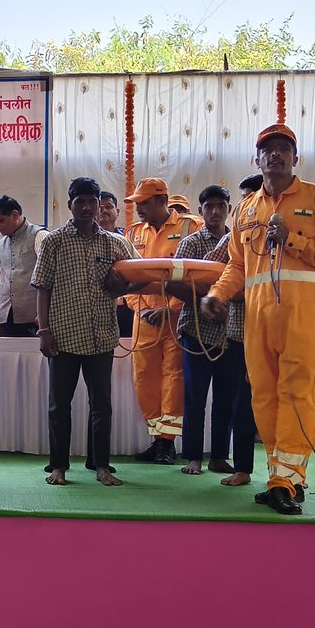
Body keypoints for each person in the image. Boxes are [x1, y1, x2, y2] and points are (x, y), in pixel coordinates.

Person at [202, 124, 315, 515]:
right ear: (257, 159)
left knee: (299, 394)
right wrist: (217, 295)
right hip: (258, 324)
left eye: (284, 148)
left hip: (303, 320)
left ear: (295, 158)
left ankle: (284, 482)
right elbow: (237, 266)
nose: (275, 154)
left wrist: (294, 240)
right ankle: (283, 477)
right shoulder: (245, 210)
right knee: (265, 398)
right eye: (267, 149)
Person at [36, 178, 137, 486]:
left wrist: (123, 285)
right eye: (79, 201)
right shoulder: (54, 241)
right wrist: (43, 331)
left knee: (102, 406)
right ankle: (59, 466)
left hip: (102, 336)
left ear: (99, 204)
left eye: (91, 201)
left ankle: (102, 467)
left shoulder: (114, 243)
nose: (86, 207)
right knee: (59, 406)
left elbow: (136, 279)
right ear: (70, 205)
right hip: (63, 336)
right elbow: (42, 288)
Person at [123, 177, 203, 464]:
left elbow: (197, 276)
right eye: (136, 204)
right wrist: (139, 307)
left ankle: (167, 443)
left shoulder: (190, 228)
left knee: (174, 376)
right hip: (144, 318)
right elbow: (126, 277)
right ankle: (156, 439)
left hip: (177, 318)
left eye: (143, 203)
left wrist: (171, 308)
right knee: (144, 378)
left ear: (162, 201)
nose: (139, 209)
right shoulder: (132, 233)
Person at [167, 185, 237, 477]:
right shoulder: (190, 244)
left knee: (226, 399)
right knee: (195, 398)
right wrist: (206, 301)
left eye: (221, 206)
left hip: (231, 333)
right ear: (201, 211)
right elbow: (173, 284)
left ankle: (219, 456)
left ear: (229, 210)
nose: (216, 212)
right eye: (209, 206)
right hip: (195, 330)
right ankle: (193, 456)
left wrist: (225, 304)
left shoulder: (239, 243)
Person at [204, 174, 261, 486]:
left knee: (284, 401)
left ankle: (291, 473)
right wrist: (230, 292)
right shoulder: (236, 235)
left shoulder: (287, 228)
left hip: (282, 331)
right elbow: (212, 272)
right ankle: (243, 468)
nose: (247, 204)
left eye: (251, 196)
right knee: (243, 403)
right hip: (241, 333)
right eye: (244, 199)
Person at [0, 195, 46, 336]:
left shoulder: (40, 236)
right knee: (6, 357)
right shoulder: (1, 244)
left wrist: (45, 313)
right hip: (7, 315)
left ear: (15, 215)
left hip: (34, 317)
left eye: (1, 221)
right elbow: (1, 278)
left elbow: (49, 277)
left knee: (34, 358)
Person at [97, 191, 133, 340]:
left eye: (108, 206)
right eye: (99, 207)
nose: (103, 210)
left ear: (117, 212)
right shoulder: (86, 241)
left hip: (127, 307)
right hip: (98, 307)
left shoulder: (128, 238)